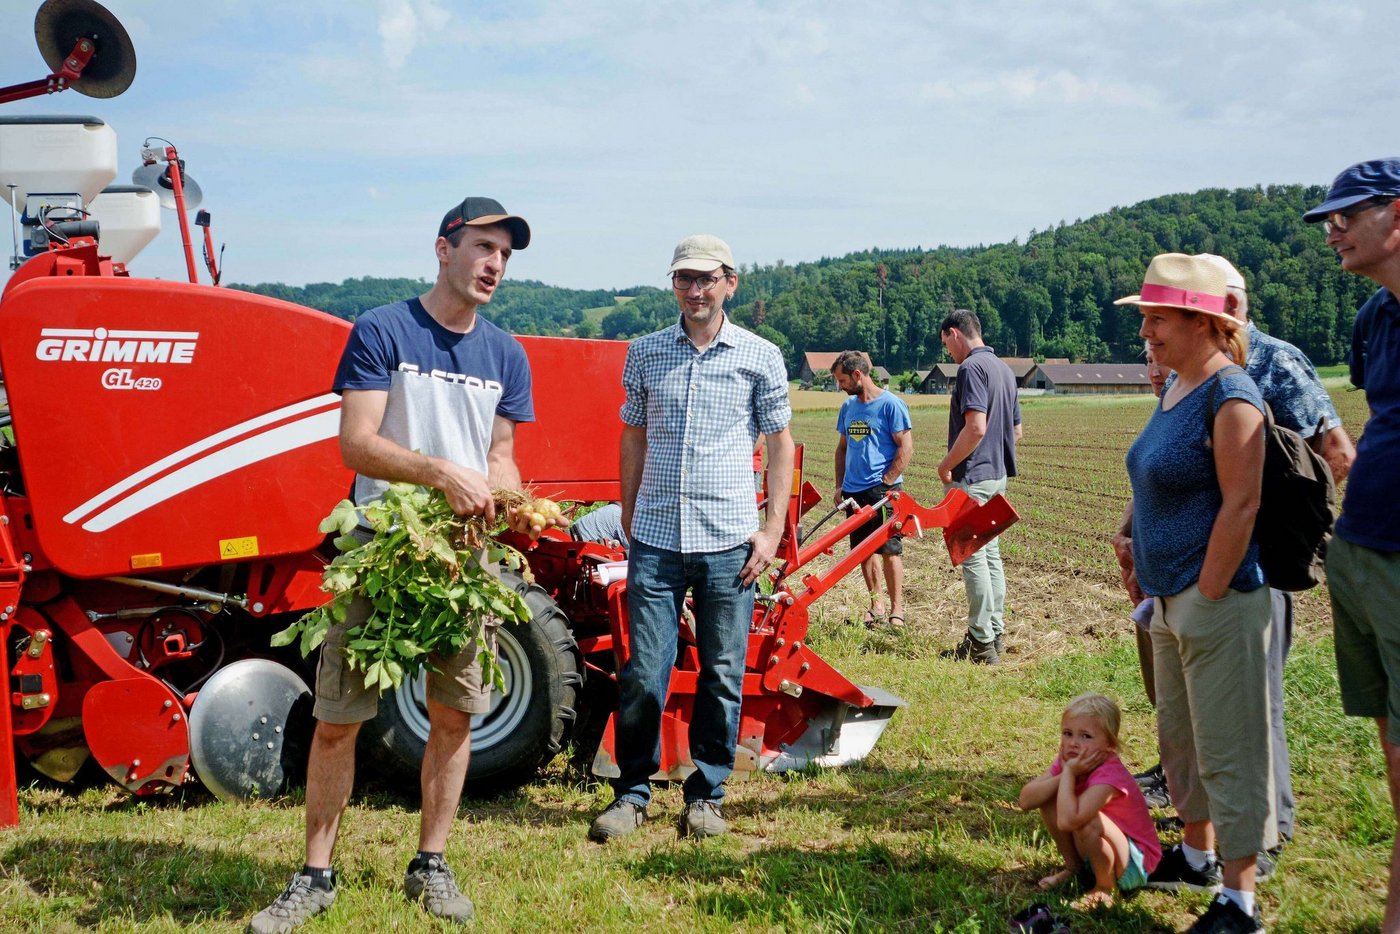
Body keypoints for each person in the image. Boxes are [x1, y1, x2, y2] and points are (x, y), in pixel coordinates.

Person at [248, 197, 535, 933]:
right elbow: (356, 444)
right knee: (340, 718)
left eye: (504, 253)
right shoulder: (384, 329)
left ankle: (431, 865)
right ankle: (314, 875)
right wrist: (441, 474)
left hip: (459, 564)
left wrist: (510, 503)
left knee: (454, 715)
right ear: (443, 249)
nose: (494, 264)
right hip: (377, 547)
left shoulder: (506, 353)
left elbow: (500, 459)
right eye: (481, 246)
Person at [589, 234, 795, 843]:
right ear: (672, 284)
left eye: (707, 279)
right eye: (685, 279)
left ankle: (706, 793)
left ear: (731, 282)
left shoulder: (760, 355)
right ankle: (631, 793)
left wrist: (773, 529)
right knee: (643, 670)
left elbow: (780, 443)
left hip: (730, 538)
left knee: (723, 672)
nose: (695, 290)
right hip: (655, 537)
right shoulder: (647, 353)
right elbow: (632, 433)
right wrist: (627, 510)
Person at [1120, 252, 1273, 934]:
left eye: (1158, 319)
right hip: (1169, 599)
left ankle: (1240, 903)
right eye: (1146, 318)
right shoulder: (1176, 388)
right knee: (1182, 742)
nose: (1147, 332)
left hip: (1216, 602)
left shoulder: (1229, 393)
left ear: (1203, 322)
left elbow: (1242, 504)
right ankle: (1195, 854)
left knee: (1228, 748)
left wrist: (1208, 592)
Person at [1303, 157, 1400, 933]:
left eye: (1347, 213)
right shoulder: (1374, 319)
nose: (1331, 228)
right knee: (1389, 737)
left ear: (1397, 216)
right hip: (1362, 550)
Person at [1017, 693, 1162, 909]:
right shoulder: (1070, 763)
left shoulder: (1110, 776)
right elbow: (1026, 800)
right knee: (1048, 796)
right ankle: (1074, 868)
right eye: (1068, 733)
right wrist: (1065, 774)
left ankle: (1105, 887)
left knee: (1088, 819)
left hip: (1134, 865)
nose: (1074, 743)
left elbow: (1070, 821)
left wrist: (1068, 774)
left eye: (1086, 736)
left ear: (1110, 744)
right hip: (1099, 851)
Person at [936, 309, 1021, 664]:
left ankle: (980, 642)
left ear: (955, 333)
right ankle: (995, 633)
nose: (948, 354)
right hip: (997, 475)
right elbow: (1016, 432)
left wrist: (947, 464)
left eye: (946, 345)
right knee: (990, 555)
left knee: (971, 557)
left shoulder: (971, 368)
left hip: (972, 478)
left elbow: (975, 428)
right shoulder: (1004, 369)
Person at [831, 350, 914, 630]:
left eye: (842, 380)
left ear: (857, 375)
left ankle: (896, 611)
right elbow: (842, 449)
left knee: (891, 550)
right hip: (854, 493)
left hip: (883, 491)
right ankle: (876, 605)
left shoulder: (891, 405)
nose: (839, 386)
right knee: (863, 552)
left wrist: (887, 482)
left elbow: (906, 447)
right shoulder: (848, 408)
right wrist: (840, 485)